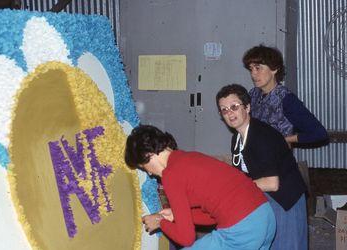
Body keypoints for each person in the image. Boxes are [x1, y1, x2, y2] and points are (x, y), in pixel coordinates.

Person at [125, 125, 276, 250]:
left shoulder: (170, 174)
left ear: (148, 154)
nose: (150, 173)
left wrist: (160, 222)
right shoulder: (191, 157)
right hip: (265, 216)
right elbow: (211, 216)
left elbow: (186, 239)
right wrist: (175, 215)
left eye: (144, 167)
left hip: (242, 228)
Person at [216, 84, 308, 250]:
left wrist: (236, 189)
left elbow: (272, 183)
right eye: (224, 110)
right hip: (265, 198)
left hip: (285, 200)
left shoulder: (262, 136)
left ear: (248, 107)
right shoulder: (237, 138)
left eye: (234, 107)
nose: (229, 113)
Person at [242, 45, 328, 147]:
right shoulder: (253, 94)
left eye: (258, 68)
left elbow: (319, 133)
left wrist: (285, 139)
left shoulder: (286, 99)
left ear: (274, 69)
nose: (253, 74)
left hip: (277, 159)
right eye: (251, 69)